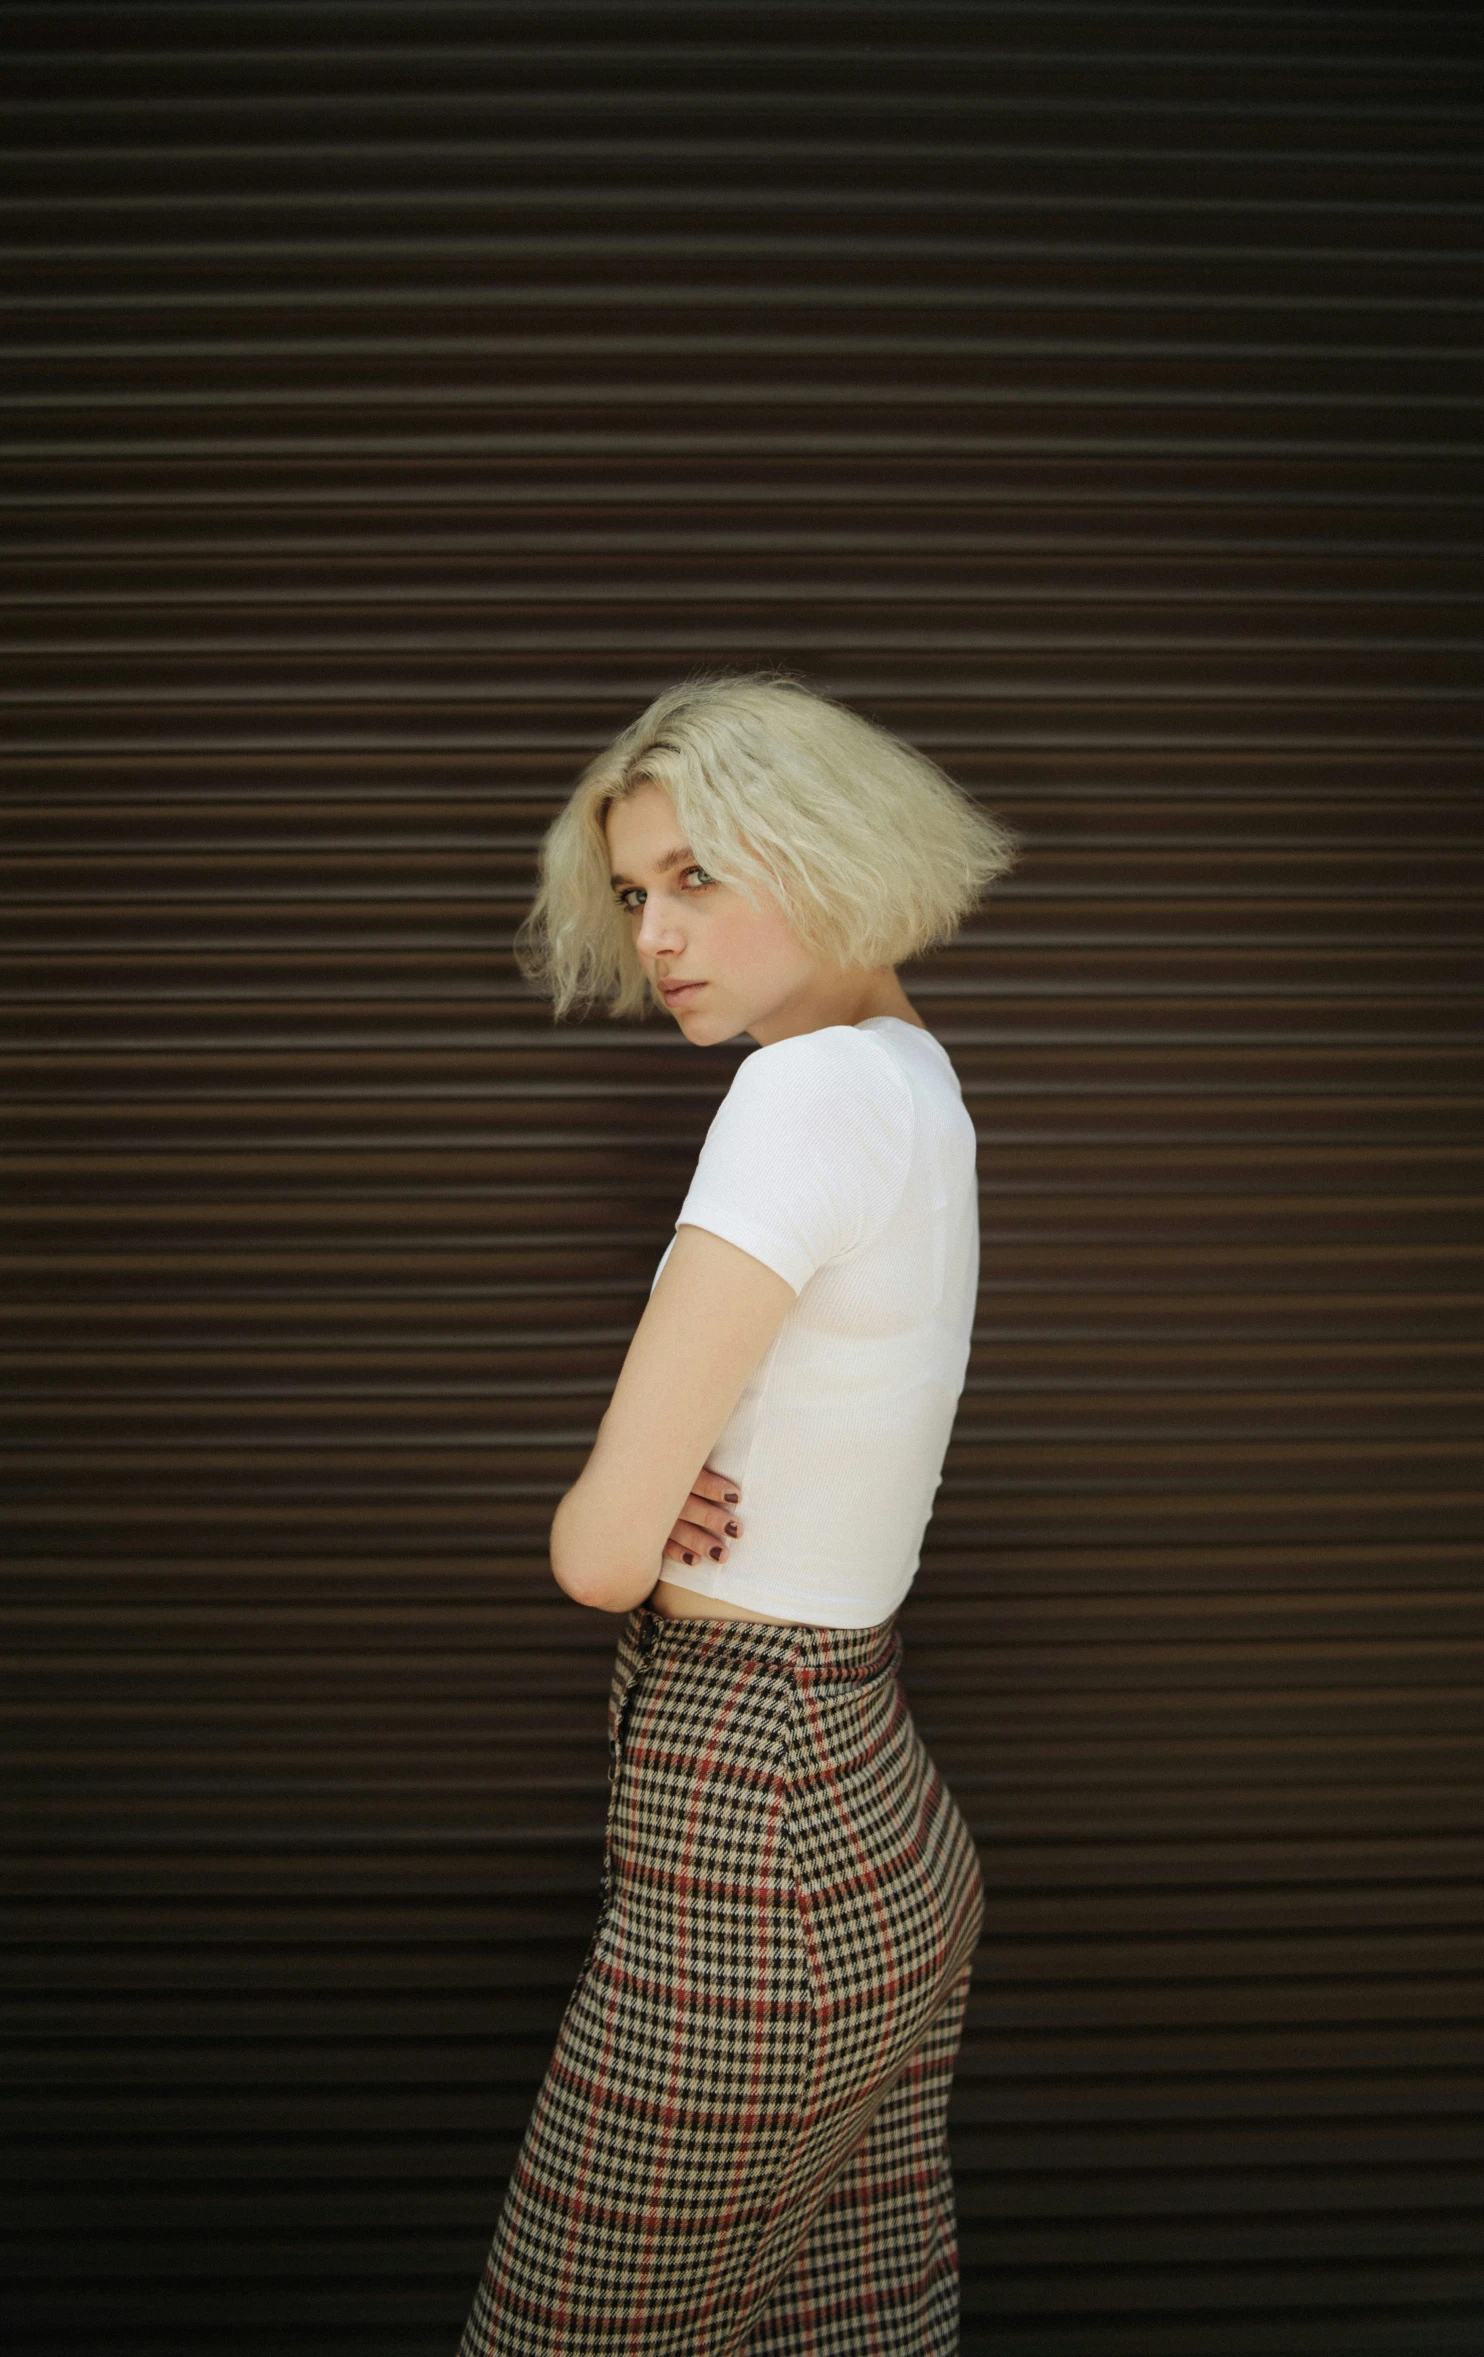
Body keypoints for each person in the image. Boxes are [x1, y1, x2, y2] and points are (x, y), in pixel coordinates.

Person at [458, 670, 1023, 2356]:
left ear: (828, 851)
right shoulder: (915, 1079)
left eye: (701, 876)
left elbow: (595, 1556)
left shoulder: (798, 1093)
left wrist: (620, 1489)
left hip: (751, 1856)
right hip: (867, 1812)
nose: (657, 934)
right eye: (635, 894)